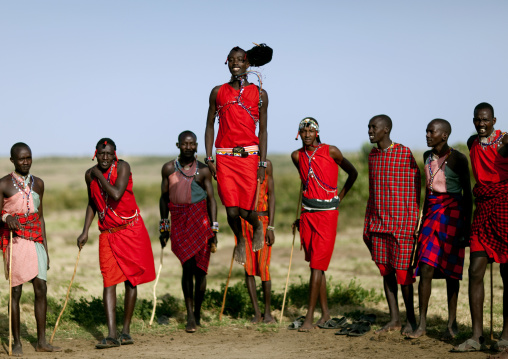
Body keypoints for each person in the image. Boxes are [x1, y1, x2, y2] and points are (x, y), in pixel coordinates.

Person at [77, 138, 155, 349]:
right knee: (109, 280)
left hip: (131, 230)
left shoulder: (123, 167)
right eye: (101, 154)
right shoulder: (89, 175)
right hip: (108, 233)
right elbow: (92, 203)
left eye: (109, 154)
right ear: (95, 153)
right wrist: (85, 231)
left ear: (115, 155)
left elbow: (116, 193)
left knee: (131, 280)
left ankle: (126, 332)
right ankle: (112, 335)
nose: (104, 158)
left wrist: (98, 176)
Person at [205, 43, 272, 265]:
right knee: (231, 212)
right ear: (227, 62)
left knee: (246, 211)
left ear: (248, 63)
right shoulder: (217, 91)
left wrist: (262, 163)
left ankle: (258, 227)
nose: (236, 63)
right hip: (224, 158)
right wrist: (209, 158)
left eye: (240, 59)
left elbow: (262, 130)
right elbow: (209, 126)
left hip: (249, 158)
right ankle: (240, 240)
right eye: (232, 59)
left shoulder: (260, 93)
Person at [407, 119, 472, 340]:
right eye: (426, 131)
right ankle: (422, 324)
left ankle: (451, 325)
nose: (427, 135)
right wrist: (421, 221)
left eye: (431, 132)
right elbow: (428, 192)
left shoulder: (459, 159)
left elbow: (468, 196)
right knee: (425, 267)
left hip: (453, 215)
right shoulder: (427, 157)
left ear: (444, 135)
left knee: (451, 272)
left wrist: (467, 228)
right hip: (432, 214)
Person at [291, 117, 358, 331]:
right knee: (316, 264)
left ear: (317, 132)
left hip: (327, 214)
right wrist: (299, 216)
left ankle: (309, 319)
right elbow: (305, 182)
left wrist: (340, 196)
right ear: (299, 134)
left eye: (311, 131)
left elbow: (353, 173)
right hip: (307, 214)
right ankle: (325, 313)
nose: (308, 134)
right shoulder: (297, 156)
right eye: (304, 131)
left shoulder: (332, 151)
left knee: (316, 266)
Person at [454, 103, 508, 354]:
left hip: (505, 208)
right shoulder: (472, 142)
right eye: (478, 120)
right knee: (475, 270)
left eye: (486, 120)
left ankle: (506, 336)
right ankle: (477, 336)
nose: (481, 124)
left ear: (494, 120)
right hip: (483, 209)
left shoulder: (504, 142)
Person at [0, 142, 61, 356]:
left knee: (41, 288)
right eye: (21, 159)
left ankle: (41, 341)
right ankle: (16, 342)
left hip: (36, 240)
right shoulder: (3, 184)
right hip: (15, 240)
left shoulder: (39, 184)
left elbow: (40, 217)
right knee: (16, 291)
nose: (25, 162)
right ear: (12, 161)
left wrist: (46, 247)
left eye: (28, 158)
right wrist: (7, 217)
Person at [363, 115, 420, 335]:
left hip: (402, 225)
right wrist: (368, 221)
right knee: (386, 272)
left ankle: (412, 320)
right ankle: (394, 319)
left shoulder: (403, 153)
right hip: (378, 223)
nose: (369, 130)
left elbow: (415, 185)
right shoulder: (372, 156)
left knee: (404, 274)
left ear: (385, 130)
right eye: (369, 127)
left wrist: (412, 220)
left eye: (373, 127)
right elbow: (372, 192)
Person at [160, 131, 218, 333]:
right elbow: (164, 198)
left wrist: (214, 228)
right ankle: (190, 316)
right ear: (178, 145)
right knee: (187, 267)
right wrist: (164, 227)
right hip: (178, 222)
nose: (189, 147)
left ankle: (199, 312)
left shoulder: (203, 170)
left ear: (196, 146)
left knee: (201, 271)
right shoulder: (168, 168)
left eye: (192, 144)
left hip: (200, 221)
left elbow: (212, 200)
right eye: (185, 144)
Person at [234, 159, 275, 323]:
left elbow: (271, 196)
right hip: (244, 221)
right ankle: (256, 313)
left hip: (263, 220)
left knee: (263, 267)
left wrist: (271, 227)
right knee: (248, 267)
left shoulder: (266, 165)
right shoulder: (237, 164)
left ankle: (268, 313)